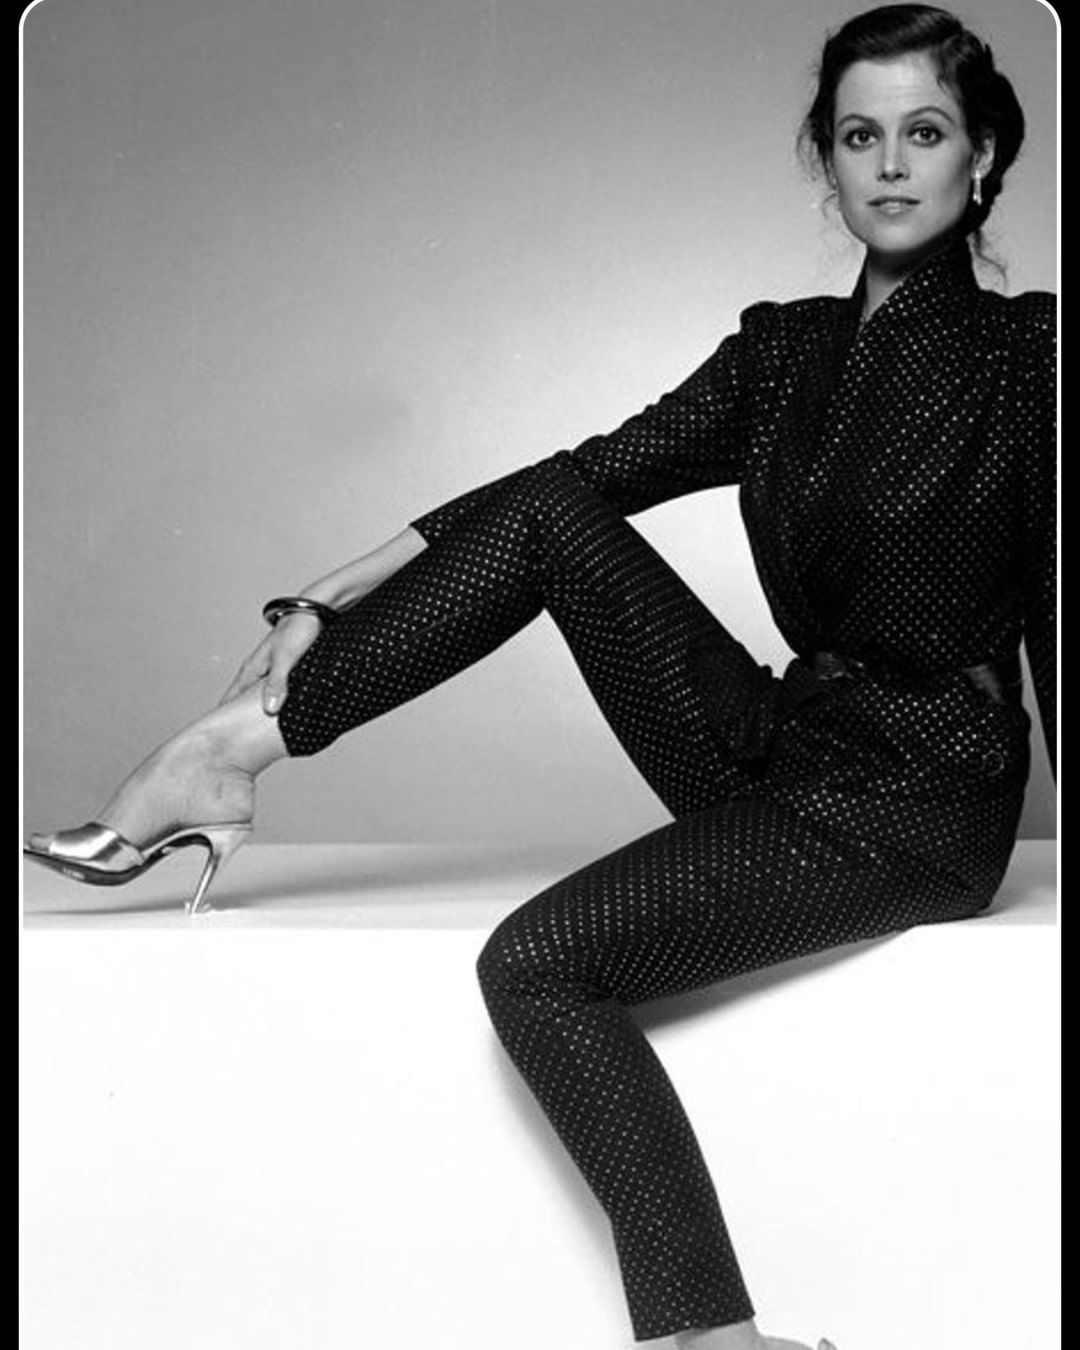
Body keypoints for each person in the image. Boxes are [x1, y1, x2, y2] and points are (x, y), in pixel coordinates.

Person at [24, 5, 1055, 1348]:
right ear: (827, 159)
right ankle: (229, 750)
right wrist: (333, 589)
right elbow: (581, 475)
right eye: (861, 136)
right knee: (559, 513)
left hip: (913, 801)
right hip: (785, 742)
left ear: (983, 156)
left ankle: (710, 1338)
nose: (893, 164)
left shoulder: (1032, 360)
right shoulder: (782, 352)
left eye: (925, 132)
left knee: (538, 962)